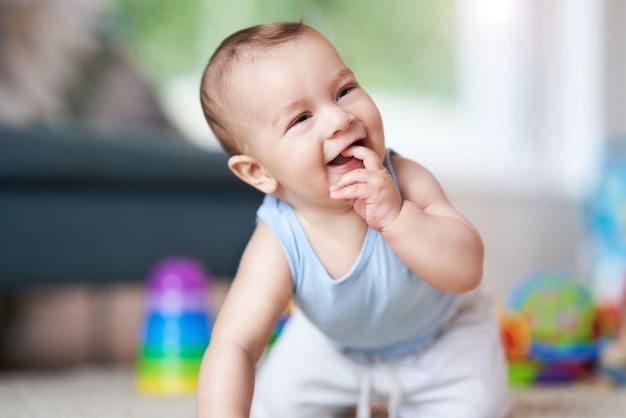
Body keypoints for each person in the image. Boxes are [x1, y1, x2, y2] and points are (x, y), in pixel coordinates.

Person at [197, 21, 511, 418]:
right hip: (334, 348)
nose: (339, 119)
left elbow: (467, 269)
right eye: (300, 119)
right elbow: (234, 343)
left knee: (479, 409)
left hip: (440, 339)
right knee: (272, 405)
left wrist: (397, 217)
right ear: (259, 173)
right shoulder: (279, 239)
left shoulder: (406, 178)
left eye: (344, 91)